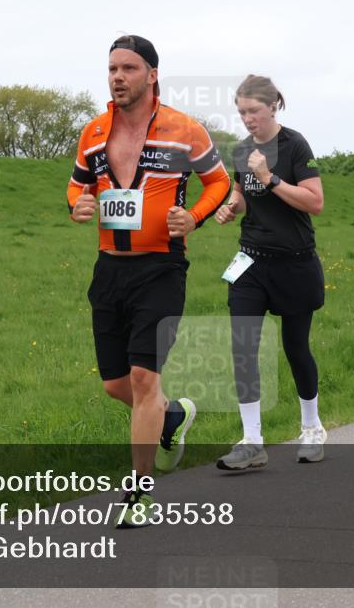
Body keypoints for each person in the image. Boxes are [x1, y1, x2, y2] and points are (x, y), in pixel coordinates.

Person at [67, 35, 231, 526]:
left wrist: (196, 216)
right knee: (116, 385)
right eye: (112, 69)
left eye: (129, 68)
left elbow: (219, 181)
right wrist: (76, 205)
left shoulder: (184, 130)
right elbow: (76, 186)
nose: (118, 77)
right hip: (109, 269)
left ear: (152, 75)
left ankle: (140, 493)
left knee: (143, 379)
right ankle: (173, 416)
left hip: (161, 267)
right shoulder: (93, 133)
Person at [213, 74, 326, 470]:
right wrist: (232, 206)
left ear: (273, 106)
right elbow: (243, 195)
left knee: (296, 348)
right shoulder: (241, 150)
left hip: (295, 262)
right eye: (241, 112)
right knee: (243, 346)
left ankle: (311, 428)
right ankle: (251, 441)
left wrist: (271, 178)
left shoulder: (294, 145)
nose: (247, 119)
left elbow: (314, 202)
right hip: (251, 262)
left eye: (254, 111)